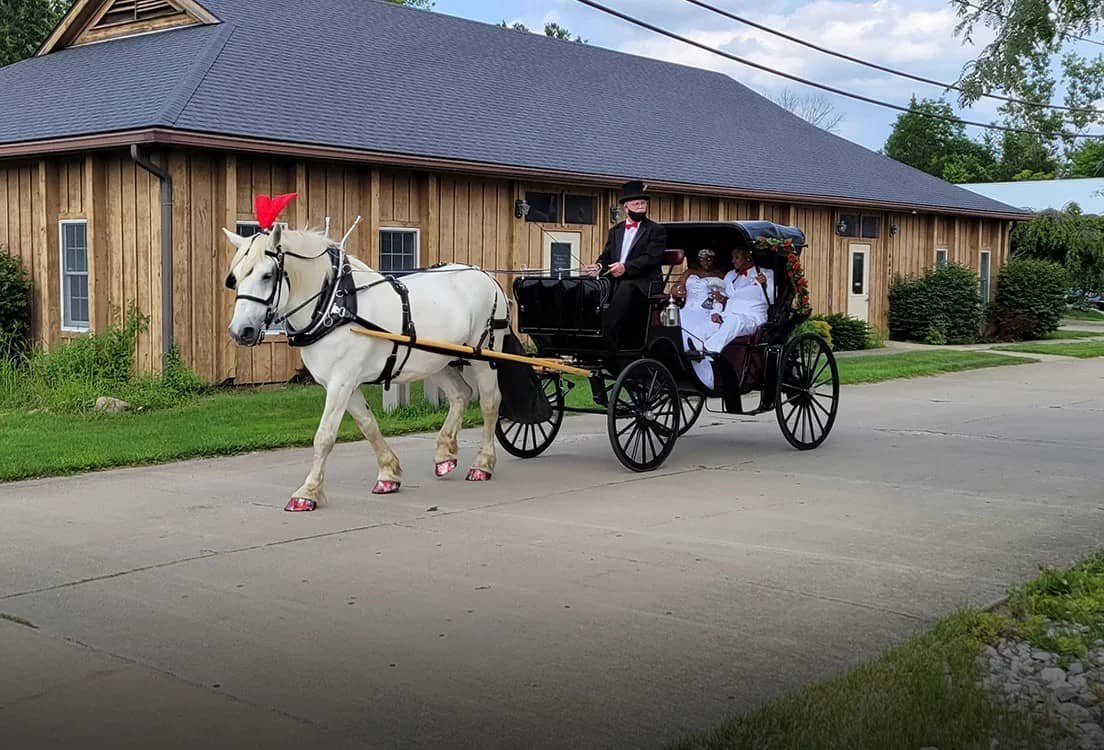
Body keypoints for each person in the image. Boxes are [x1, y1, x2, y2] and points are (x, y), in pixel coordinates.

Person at [585, 180, 667, 357]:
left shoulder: (656, 230)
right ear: (626, 207)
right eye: (636, 204)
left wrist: (626, 268)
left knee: (626, 286)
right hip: (617, 282)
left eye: (643, 203)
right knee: (589, 285)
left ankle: (607, 333)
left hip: (644, 283)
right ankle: (583, 331)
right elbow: (606, 257)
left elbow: (652, 258)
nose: (641, 207)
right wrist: (598, 267)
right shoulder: (616, 230)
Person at [702, 246, 774, 356]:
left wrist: (764, 285)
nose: (733, 261)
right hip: (726, 315)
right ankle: (692, 352)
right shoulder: (730, 275)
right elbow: (720, 296)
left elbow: (771, 299)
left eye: (736, 257)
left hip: (751, 318)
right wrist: (715, 312)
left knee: (735, 320)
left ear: (748, 257)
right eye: (732, 257)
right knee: (705, 322)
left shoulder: (766, 274)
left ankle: (707, 351)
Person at [672, 248, 728, 387]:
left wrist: (718, 306)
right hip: (686, 309)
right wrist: (678, 290)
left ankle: (703, 378)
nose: (706, 262)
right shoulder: (690, 272)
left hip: (705, 312)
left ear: (714, 260)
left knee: (694, 335)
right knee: (674, 329)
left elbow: (722, 298)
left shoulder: (720, 275)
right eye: (703, 259)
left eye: (709, 259)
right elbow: (676, 287)